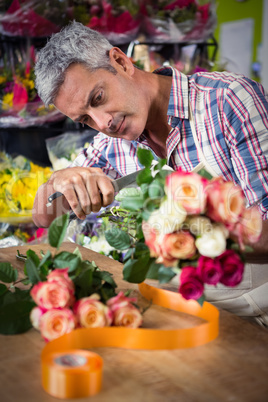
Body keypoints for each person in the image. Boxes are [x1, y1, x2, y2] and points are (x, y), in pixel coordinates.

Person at [33, 21, 268, 325]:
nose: (102, 122)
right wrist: (59, 181)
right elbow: (43, 216)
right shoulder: (109, 143)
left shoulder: (227, 101)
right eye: (85, 120)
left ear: (121, 62)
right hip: (172, 312)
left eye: (98, 98)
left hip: (253, 312)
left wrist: (193, 230)